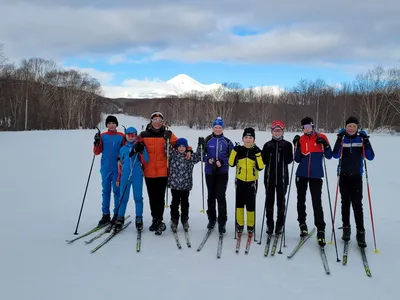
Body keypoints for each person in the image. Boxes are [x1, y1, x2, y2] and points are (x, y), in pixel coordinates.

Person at [138, 111, 192, 235]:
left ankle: (160, 220)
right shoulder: (143, 134)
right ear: (151, 121)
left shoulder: (167, 134)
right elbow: (133, 143)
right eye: (155, 120)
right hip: (149, 171)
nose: (157, 122)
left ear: (162, 122)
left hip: (163, 171)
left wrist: (189, 150)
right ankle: (154, 219)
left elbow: (180, 143)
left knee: (160, 197)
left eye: (159, 120)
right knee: (152, 197)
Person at [332, 116, 375, 248]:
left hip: (356, 176)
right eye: (349, 126)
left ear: (357, 127)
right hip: (344, 176)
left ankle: (360, 232)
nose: (351, 128)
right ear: (345, 127)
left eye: (354, 126)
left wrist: (366, 141)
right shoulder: (343, 139)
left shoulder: (361, 139)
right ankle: (346, 228)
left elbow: (370, 156)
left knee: (357, 204)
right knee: (345, 203)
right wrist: (339, 139)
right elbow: (335, 154)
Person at [292, 117, 333, 247]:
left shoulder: (322, 137)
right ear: (302, 128)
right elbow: (297, 160)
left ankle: (321, 229)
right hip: (301, 175)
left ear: (313, 126)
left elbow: (329, 155)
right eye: (305, 127)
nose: (307, 129)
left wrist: (325, 145)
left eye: (309, 127)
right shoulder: (301, 139)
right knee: (300, 200)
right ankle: (302, 224)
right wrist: (296, 146)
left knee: (317, 202)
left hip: (316, 176)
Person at [198, 117, 234, 234]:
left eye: (220, 127)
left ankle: (222, 221)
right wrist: (208, 159)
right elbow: (200, 155)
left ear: (223, 128)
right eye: (215, 127)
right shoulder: (208, 140)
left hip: (222, 172)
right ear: (212, 128)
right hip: (210, 172)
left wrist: (222, 161)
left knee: (221, 196)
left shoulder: (227, 142)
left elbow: (233, 157)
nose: (217, 129)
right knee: (211, 196)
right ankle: (212, 219)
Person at [228, 128, 264, 236]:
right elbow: (231, 163)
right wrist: (234, 151)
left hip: (252, 182)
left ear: (254, 139)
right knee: (239, 203)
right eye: (246, 137)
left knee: (250, 204)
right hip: (240, 181)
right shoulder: (239, 150)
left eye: (250, 138)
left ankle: (250, 225)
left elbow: (261, 167)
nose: (248, 140)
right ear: (243, 139)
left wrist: (258, 154)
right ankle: (239, 224)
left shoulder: (257, 151)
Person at [261, 120, 293, 236]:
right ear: (271, 131)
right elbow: (263, 161)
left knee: (281, 202)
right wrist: (265, 153)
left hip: (282, 178)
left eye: (279, 130)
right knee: (269, 201)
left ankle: (280, 225)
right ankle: (270, 224)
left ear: (283, 131)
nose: (277, 132)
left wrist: (284, 150)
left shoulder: (287, 145)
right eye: (275, 130)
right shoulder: (267, 145)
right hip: (269, 177)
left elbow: (289, 160)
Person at [93, 115, 125, 226]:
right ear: (106, 125)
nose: (111, 125)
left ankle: (117, 214)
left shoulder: (121, 136)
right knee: (105, 192)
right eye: (109, 123)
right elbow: (97, 152)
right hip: (105, 168)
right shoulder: (103, 136)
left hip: (117, 169)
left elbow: (125, 151)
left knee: (117, 192)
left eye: (113, 123)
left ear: (116, 124)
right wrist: (96, 142)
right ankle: (105, 215)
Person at [115, 127, 149, 232]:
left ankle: (139, 219)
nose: (131, 137)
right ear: (125, 136)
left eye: (133, 135)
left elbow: (146, 160)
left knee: (138, 198)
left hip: (137, 176)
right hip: (125, 176)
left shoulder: (140, 146)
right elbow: (120, 165)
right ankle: (120, 218)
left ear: (136, 135)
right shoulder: (123, 149)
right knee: (123, 198)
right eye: (128, 135)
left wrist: (142, 151)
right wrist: (118, 178)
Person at [167, 137, 202, 231]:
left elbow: (199, 156)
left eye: (183, 146)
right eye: (180, 146)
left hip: (186, 185)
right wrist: (167, 139)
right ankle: (174, 220)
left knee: (185, 203)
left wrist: (200, 146)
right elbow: (167, 148)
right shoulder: (173, 154)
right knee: (175, 203)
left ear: (186, 147)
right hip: (175, 184)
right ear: (177, 147)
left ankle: (184, 219)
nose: (181, 148)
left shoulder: (189, 156)